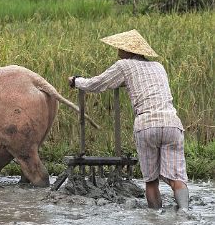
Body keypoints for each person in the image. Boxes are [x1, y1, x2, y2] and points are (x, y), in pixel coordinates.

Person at [68, 29, 189, 211]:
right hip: (172, 123)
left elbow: (98, 83)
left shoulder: (124, 65)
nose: (117, 52)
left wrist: (76, 81)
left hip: (147, 124)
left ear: (127, 51)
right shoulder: (158, 67)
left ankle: (154, 217)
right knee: (176, 178)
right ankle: (185, 212)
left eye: (120, 49)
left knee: (151, 180)